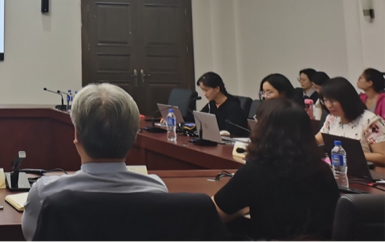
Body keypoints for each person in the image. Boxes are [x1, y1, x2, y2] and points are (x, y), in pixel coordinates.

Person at [21, 84, 167, 242]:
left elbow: (33, 236)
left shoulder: (44, 194)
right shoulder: (157, 191)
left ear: (76, 134)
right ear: (134, 137)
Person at [213, 99, 339, 240]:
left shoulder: (254, 171)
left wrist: (242, 209)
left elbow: (214, 213)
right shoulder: (323, 170)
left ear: (263, 130)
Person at [316, 77, 385, 167]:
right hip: (338, 169)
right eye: (325, 100)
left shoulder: (370, 122)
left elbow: (382, 157)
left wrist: (350, 154)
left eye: (333, 100)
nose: (329, 105)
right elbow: (317, 139)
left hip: (363, 171)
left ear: (347, 99)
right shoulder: (332, 118)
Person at [197, 72, 248, 137]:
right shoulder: (212, 104)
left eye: (206, 90)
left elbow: (233, 132)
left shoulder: (233, 107)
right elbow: (199, 118)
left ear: (217, 89)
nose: (204, 93)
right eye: (202, 90)